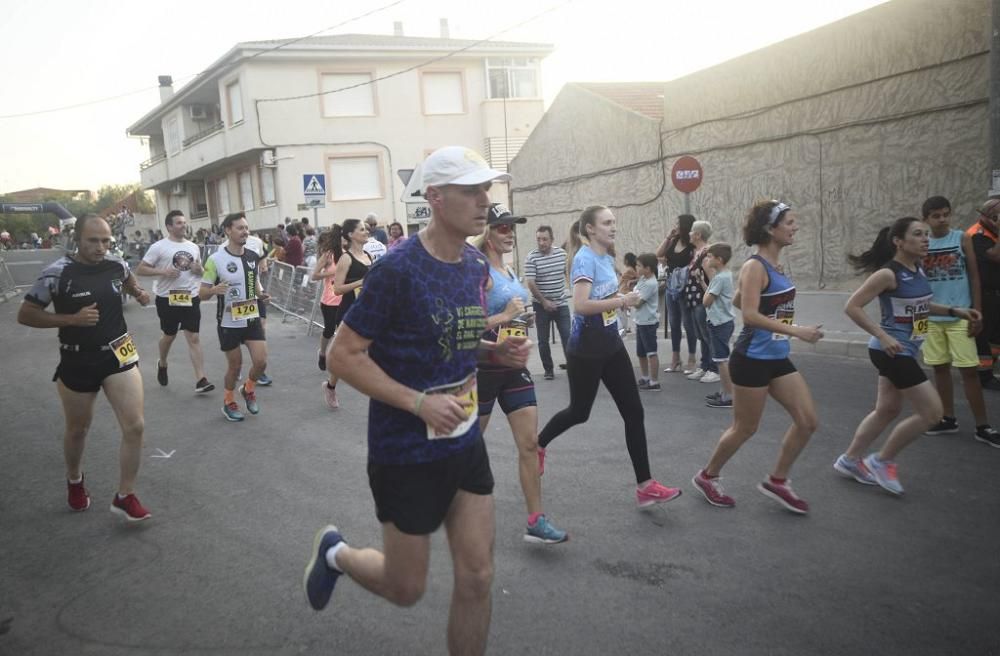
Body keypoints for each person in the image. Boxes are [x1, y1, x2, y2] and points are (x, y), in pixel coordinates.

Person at [303, 146, 532, 655]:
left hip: (463, 442)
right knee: (407, 589)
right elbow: (344, 356)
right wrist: (417, 403)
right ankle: (337, 553)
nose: (484, 201)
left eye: (486, 190)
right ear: (434, 197)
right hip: (404, 450)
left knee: (477, 576)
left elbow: (457, 339)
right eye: (471, 191)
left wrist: (499, 353)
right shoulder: (397, 270)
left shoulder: (474, 264)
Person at [537, 205, 682, 507]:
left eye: (614, 222)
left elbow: (602, 302)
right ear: (590, 229)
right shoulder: (584, 259)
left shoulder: (606, 257)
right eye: (606, 223)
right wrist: (621, 299)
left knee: (634, 412)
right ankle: (537, 445)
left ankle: (645, 486)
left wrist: (620, 304)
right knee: (579, 412)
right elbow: (581, 305)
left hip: (611, 345)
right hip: (586, 351)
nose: (613, 227)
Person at [17, 214, 153, 521]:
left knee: (136, 425)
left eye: (106, 241)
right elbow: (26, 314)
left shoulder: (117, 264)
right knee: (78, 430)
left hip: (119, 354)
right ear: (77, 239)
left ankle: (125, 495)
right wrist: (70, 319)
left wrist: (139, 293)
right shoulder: (56, 273)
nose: (101, 247)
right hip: (77, 358)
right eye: (93, 241)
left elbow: (128, 280)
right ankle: (75, 480)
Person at [692, 200, 823, 514]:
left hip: (776, 356)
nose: (795, 227)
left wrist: (776, 324)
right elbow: (748, 315)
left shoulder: (775, 267)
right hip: (751, 358)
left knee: (807, 421)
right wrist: (797, 331)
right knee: (745, 428)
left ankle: (777, 481)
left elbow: (741, 300)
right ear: (770, 228)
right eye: (789, 222)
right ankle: (707, 476)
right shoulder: (755, 266)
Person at [837, 217, 980, 495]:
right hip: (892, 351)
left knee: (887, 410)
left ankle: (849, 460)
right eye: (918, 234)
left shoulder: (918, 269)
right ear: (898, 242)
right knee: (933, 412)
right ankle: (882, 461)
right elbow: (852, 307)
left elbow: (921, 306)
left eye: (926, 234)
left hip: (907, 350)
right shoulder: (888, 274)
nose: (925, 239)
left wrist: (955, 311)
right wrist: (883, 335)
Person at [472, 203, 568, 544]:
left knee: (529, 444)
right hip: (482, 367)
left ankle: (536, 520)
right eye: (502, 227)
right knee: (469, 446)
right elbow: (465, 325)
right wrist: (503, 317)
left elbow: (510, 313)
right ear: (487, 230)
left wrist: (519, 320)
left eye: (512, 227)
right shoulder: (477, 269)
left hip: (513, 369)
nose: (509, 233)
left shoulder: (509, 269)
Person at [920, 197, 999, 446]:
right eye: (936, 215)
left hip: (961, 315)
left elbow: (974, 277)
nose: (942, 219)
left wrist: (977, 312)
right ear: (926, 219)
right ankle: (947, 418)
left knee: (969, 372)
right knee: (940, 369)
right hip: (932, 318)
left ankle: (982, 426)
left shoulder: (961, 238)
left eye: (945, 214)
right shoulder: (922, 243)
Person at [200, 213, 270, 422]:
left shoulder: (251, 256)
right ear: (228, 230)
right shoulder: (215, 260)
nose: (245, 232)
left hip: (251, 317)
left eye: (246, 228)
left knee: (261, 362)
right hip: (228, 322)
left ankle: (248, 389)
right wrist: (214, 290)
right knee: (235, 366)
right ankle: (229, 401)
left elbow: (254, 282)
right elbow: (201, 293)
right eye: (240, 228)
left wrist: (261, 294)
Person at [134, 210, 214, 394]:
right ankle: (162, 362)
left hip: (190, 297)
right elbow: (141, 269)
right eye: (179, 223)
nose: (183, 225)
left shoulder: (193, 246)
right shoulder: (159, 247)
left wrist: (198, 269)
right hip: (167, 298)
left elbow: (201, 271)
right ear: (169, 226)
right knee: (169, 336)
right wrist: (163, 272)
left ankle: (201, 379)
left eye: (184, 222)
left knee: (193, 337)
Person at [324, 219, 373, 407]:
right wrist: (360, 282)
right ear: (351, 235)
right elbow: (337, 289)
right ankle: (330, 386)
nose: (366, 231)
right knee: (343, 355)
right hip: (349, 312)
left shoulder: (368, 255)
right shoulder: (346, 258)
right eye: (362, 229)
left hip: (368, 310)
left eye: (366, 229)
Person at [524, 225, 571, 380]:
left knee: (568, 336)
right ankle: (548, 369)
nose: (541, 242)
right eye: (538, 239)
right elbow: (530, 282)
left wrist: (571, 289)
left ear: (552, 240)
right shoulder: (531, 257)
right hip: (540, 305)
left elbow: (568, 273)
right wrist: (544, 302)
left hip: (561, 303)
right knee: (543, 341)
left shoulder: (562, 254)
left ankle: (573, 365)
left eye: (545, 239)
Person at [966, 198, 1000, 390]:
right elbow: (995, 256)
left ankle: (989, 368)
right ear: (988, 216)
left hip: (995, 293)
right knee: (984, 335)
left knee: (996, 335)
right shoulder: (977, 235)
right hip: (983, 294)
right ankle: (984, 375)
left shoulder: (993, 233)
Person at [656, 215, 697, 373]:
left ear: (686, 226)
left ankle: (692, 358)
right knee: (674, 323)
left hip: (686, 287)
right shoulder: (673, 241)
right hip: (671, 286)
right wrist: (668, 237)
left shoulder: (692, 246)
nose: (676, 226)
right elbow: (658, 254)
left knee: (688, 323)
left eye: (678, 224)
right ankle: (675, 358)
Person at [312, 226, 343, 402]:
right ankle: (323, 352)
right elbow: (314, 275)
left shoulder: (346, 254)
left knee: (343, 333)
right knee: (329, 331)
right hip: (329, 300)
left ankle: (338, 364)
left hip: (345, 299)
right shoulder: (328, 256)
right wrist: (333, 271)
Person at [683, 221, 717, 382]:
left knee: (707, 334)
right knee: (701, 335)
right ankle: (705, 366)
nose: (689, 234)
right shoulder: (696, 252)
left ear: (698, 235)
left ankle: (714, 368)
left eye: (691, 231)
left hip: (702, 299)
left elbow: (713, 279)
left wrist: (710, 298)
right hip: (694, 299)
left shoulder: (706, 253)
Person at [702, 243, 736, 409]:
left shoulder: (720, 278)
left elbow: (706, 301)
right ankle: (724, 391)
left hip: (719, 323)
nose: (707, 259)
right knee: (720, 359)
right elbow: (709, 293)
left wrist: (707, 291)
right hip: (722, 321)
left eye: (710, 256)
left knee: (721, 360)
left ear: (719, 260)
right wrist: (703, 282)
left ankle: (728, 396)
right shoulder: (722, 276)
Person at [633, 253, 661, 391]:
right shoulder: (643, 279)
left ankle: (654, 381)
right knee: (641, 352)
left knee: (651, 352)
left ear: (648, 268)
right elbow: (635, 294)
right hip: (640, 321)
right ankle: (645, 377)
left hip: (648, 322)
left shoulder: (651, 283)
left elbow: (638, 302)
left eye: (639, 266)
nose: (636, 268)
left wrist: (626, 299)